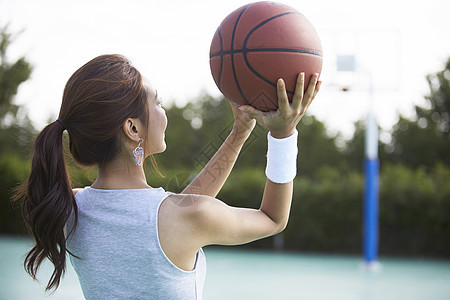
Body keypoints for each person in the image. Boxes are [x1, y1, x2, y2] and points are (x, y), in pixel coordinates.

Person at [15, 54, 321, 299]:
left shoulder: (69, 210)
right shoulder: (181, 219)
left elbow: (177, 211)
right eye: (157, 103)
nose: (164, 112)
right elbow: (272, 218)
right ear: (132, 128)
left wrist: (239, 133)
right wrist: (283, 134)